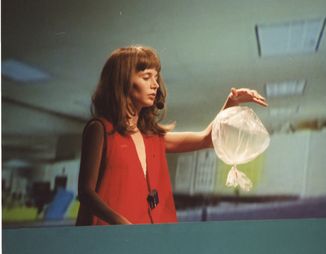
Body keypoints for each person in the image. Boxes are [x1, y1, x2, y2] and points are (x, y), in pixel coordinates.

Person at [76, 45, 268, 226]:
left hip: (150, 237)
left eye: (156, 77)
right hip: (108, 239)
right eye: (146, 77)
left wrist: (231, 102)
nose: (155, 85)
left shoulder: (152, 137)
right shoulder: (100, 129)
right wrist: (123, 225)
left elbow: (207, 138)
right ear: (123, 81)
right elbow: (86, 192)